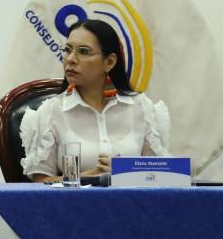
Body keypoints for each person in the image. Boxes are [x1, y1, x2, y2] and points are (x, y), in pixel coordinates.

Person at [20, 19, 170, 183]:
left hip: (134, 205)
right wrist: (90, 176)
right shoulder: (51, 112)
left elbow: (163, 176)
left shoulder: (141, 107)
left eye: (83, 51)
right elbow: (40, 182)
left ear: (109, 62)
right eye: (67, 50)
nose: (70, 59)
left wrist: (127, 174)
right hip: (74, 206)